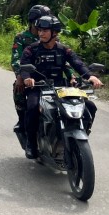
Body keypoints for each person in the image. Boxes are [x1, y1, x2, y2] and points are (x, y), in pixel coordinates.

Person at [20, 15, 103, 159]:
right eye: (39, 30)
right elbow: (24, 65)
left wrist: (90, 76)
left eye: (45, 30)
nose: (41, 33)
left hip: (61, 88)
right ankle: (31, 144)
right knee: (32, 107)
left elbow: (77, 63)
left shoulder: (64, 50)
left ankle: (80, 132)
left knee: (90, 106)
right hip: (38, 87)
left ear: (54, 32)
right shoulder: (31, 49)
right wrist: (27, 78)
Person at [11, 4, 52, 135]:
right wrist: (20, 76)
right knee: (18, 90)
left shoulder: (50, 36)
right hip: (29, 75)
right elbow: (16, 59)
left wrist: (72, 75)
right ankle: (22, 120)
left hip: (50, 74)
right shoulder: (21, 37)